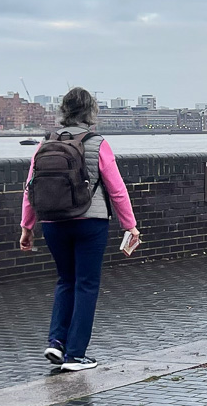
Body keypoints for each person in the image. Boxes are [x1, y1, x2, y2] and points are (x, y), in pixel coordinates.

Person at [18, 87, 139, 372]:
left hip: (53, 222)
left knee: (65, 281)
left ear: (63, 111)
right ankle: (75, 355)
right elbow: (117, 190)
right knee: (86, 284)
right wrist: (130, 226)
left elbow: (30, 189)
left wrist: (27, 226)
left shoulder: (44, 144)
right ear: (91, 112)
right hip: (90, 221)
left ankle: (56, 342)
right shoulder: (97, 143)